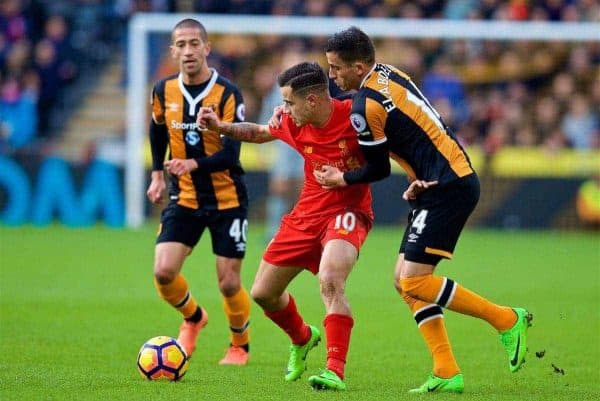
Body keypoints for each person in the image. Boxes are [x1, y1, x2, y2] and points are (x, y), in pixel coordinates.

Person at [319, 26, 532, 394]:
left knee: (414, 281)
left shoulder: (364, 106)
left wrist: (342, 178)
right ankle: (447, 370)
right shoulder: (389, 72)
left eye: (336, 68)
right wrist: (418, 174)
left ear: (357, 66)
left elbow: (377, 169)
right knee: (403, 279)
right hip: (441, 178)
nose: (332, 76)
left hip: (446, 186)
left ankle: (507, 319)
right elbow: (417, 129)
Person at [197, 61, 373, 391]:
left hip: (347, 211)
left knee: (331, 278)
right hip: (305, 216)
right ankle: (303, 337)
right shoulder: (293, 122)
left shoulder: (355, 117)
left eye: (289, 101)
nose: (283, 108)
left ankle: (334, 370)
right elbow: (261, 133)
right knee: (263, 293)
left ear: (313, 101)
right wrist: (221, 126)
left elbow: (396, 143)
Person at [146, 18, 251, 366]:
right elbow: (158, 130)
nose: (188, 51)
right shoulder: (163, 91)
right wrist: (157, 174)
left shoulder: (228, 94)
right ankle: (193, 317)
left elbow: (231, 154)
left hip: (228, 198)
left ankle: (239, 345)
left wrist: (192, 164)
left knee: (229, 282)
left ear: (207, 48)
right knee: (163, 272)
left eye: (195, 43)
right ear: (173, 50)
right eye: (181, 44)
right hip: (186, 197)